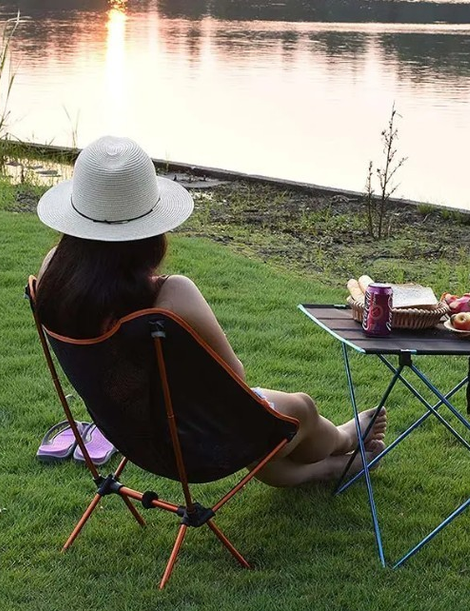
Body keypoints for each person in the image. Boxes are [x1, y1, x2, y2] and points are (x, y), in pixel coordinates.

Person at [35, 136, 387, 486]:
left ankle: (328, 469)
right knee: (301, 410)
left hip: (131, 438)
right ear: (150, 227)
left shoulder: (54, 275)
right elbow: (235, 374)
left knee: (263, 429)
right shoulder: (172, 294)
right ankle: (344, 438)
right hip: (202, 447)